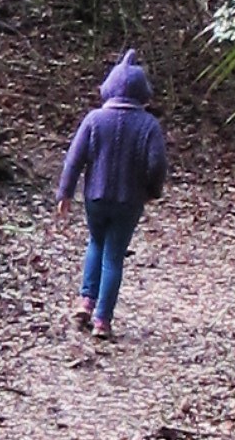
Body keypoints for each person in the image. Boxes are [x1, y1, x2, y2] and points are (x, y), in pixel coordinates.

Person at [56, 51, 168, 341]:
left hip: (95, 196)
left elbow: (74, 158)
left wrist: (65, 192)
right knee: (114, 255)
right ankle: (102, 320)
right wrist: (152, 191)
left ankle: (85, 301)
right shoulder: (149, 126)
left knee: (96, 241)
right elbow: (157, 163)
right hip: (129, 200)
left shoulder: (95, 119)